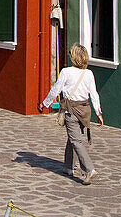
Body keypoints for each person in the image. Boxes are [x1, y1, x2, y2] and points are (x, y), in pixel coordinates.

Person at [39, 44, 104, 185]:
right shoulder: (89, 73)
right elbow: (94, 94)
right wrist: (99, 112)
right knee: (73, 136)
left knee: (76, 140)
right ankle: (69, 167)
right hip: (85, 111)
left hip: (72, 111)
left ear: (74, 57)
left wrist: (45, 103)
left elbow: (56, 89)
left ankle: (89, 169)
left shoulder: (66, 72)